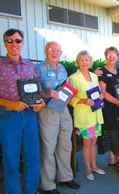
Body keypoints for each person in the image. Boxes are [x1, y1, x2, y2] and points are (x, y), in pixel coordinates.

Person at [0, 28, 45, 194]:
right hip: (8, 117)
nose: (14, 44)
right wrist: (11, 104)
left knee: (33, 157)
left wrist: (40, 103)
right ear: (5, 43)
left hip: (29, 115)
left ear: (23, 43)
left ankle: (31, 190)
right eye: (10, 40)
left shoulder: (30, 66)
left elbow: (38, 91)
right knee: (11, 161)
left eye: (18, 40)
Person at [36, 41, 79, 194]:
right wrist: (46, 94)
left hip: (63, 108)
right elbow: (34, 91)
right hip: (47, 110)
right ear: (46, 51)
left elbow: (65, 87)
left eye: (57, 50)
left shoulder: (62, 69)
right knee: (48, 147)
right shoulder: (38, 68)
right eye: (51, 50)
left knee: (65, 144)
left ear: (61, 53)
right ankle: (48, 185)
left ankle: (65, 177)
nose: (55, 52)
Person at [68, 50, 105, 181]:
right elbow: (70, 99)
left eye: (87, 60)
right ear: (78, 62)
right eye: (81, 60)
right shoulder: (73, 78)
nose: (84, 62)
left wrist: (101, 95)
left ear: (90, 62)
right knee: (87, 143)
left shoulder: (94, 76)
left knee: (94, 142)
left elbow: (97, 93)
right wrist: (83, 100)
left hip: (96, 115)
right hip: (84, 116)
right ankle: (88, 169)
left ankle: (94, 165)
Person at [97, 47, 119, 177]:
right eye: (108, 55)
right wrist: (118, 102)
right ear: (105, 57)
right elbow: (103, 93)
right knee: (114, 132)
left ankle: (112, 158)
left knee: (116, 131)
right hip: (110, 108)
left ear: (117, 57)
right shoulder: (102, 71)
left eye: (113, 55)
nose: (111, 58)